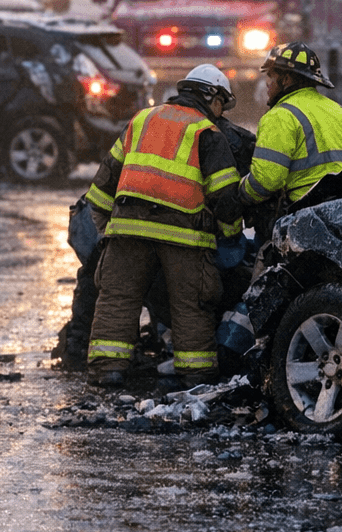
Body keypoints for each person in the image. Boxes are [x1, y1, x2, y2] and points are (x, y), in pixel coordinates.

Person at [81, 64, 246, 388]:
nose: (220, 113)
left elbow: (106, 179)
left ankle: (107, 370)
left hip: (128, 229)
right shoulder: (207, 134)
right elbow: (224, 196)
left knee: (117, 298)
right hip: (183, 237)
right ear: (210, 96)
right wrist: (231, 235)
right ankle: (196, 374)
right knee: (192, 304)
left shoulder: (142, 119)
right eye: (220, 105)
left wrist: (98, 228)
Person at [220, 42, 342, 247]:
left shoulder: (280, 116)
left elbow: (266, 181)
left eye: (272, 76)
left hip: (304, 222)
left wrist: (237, 195)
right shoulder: (340, 112)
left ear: (287, 79)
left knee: (265, 274)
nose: (267, 84)